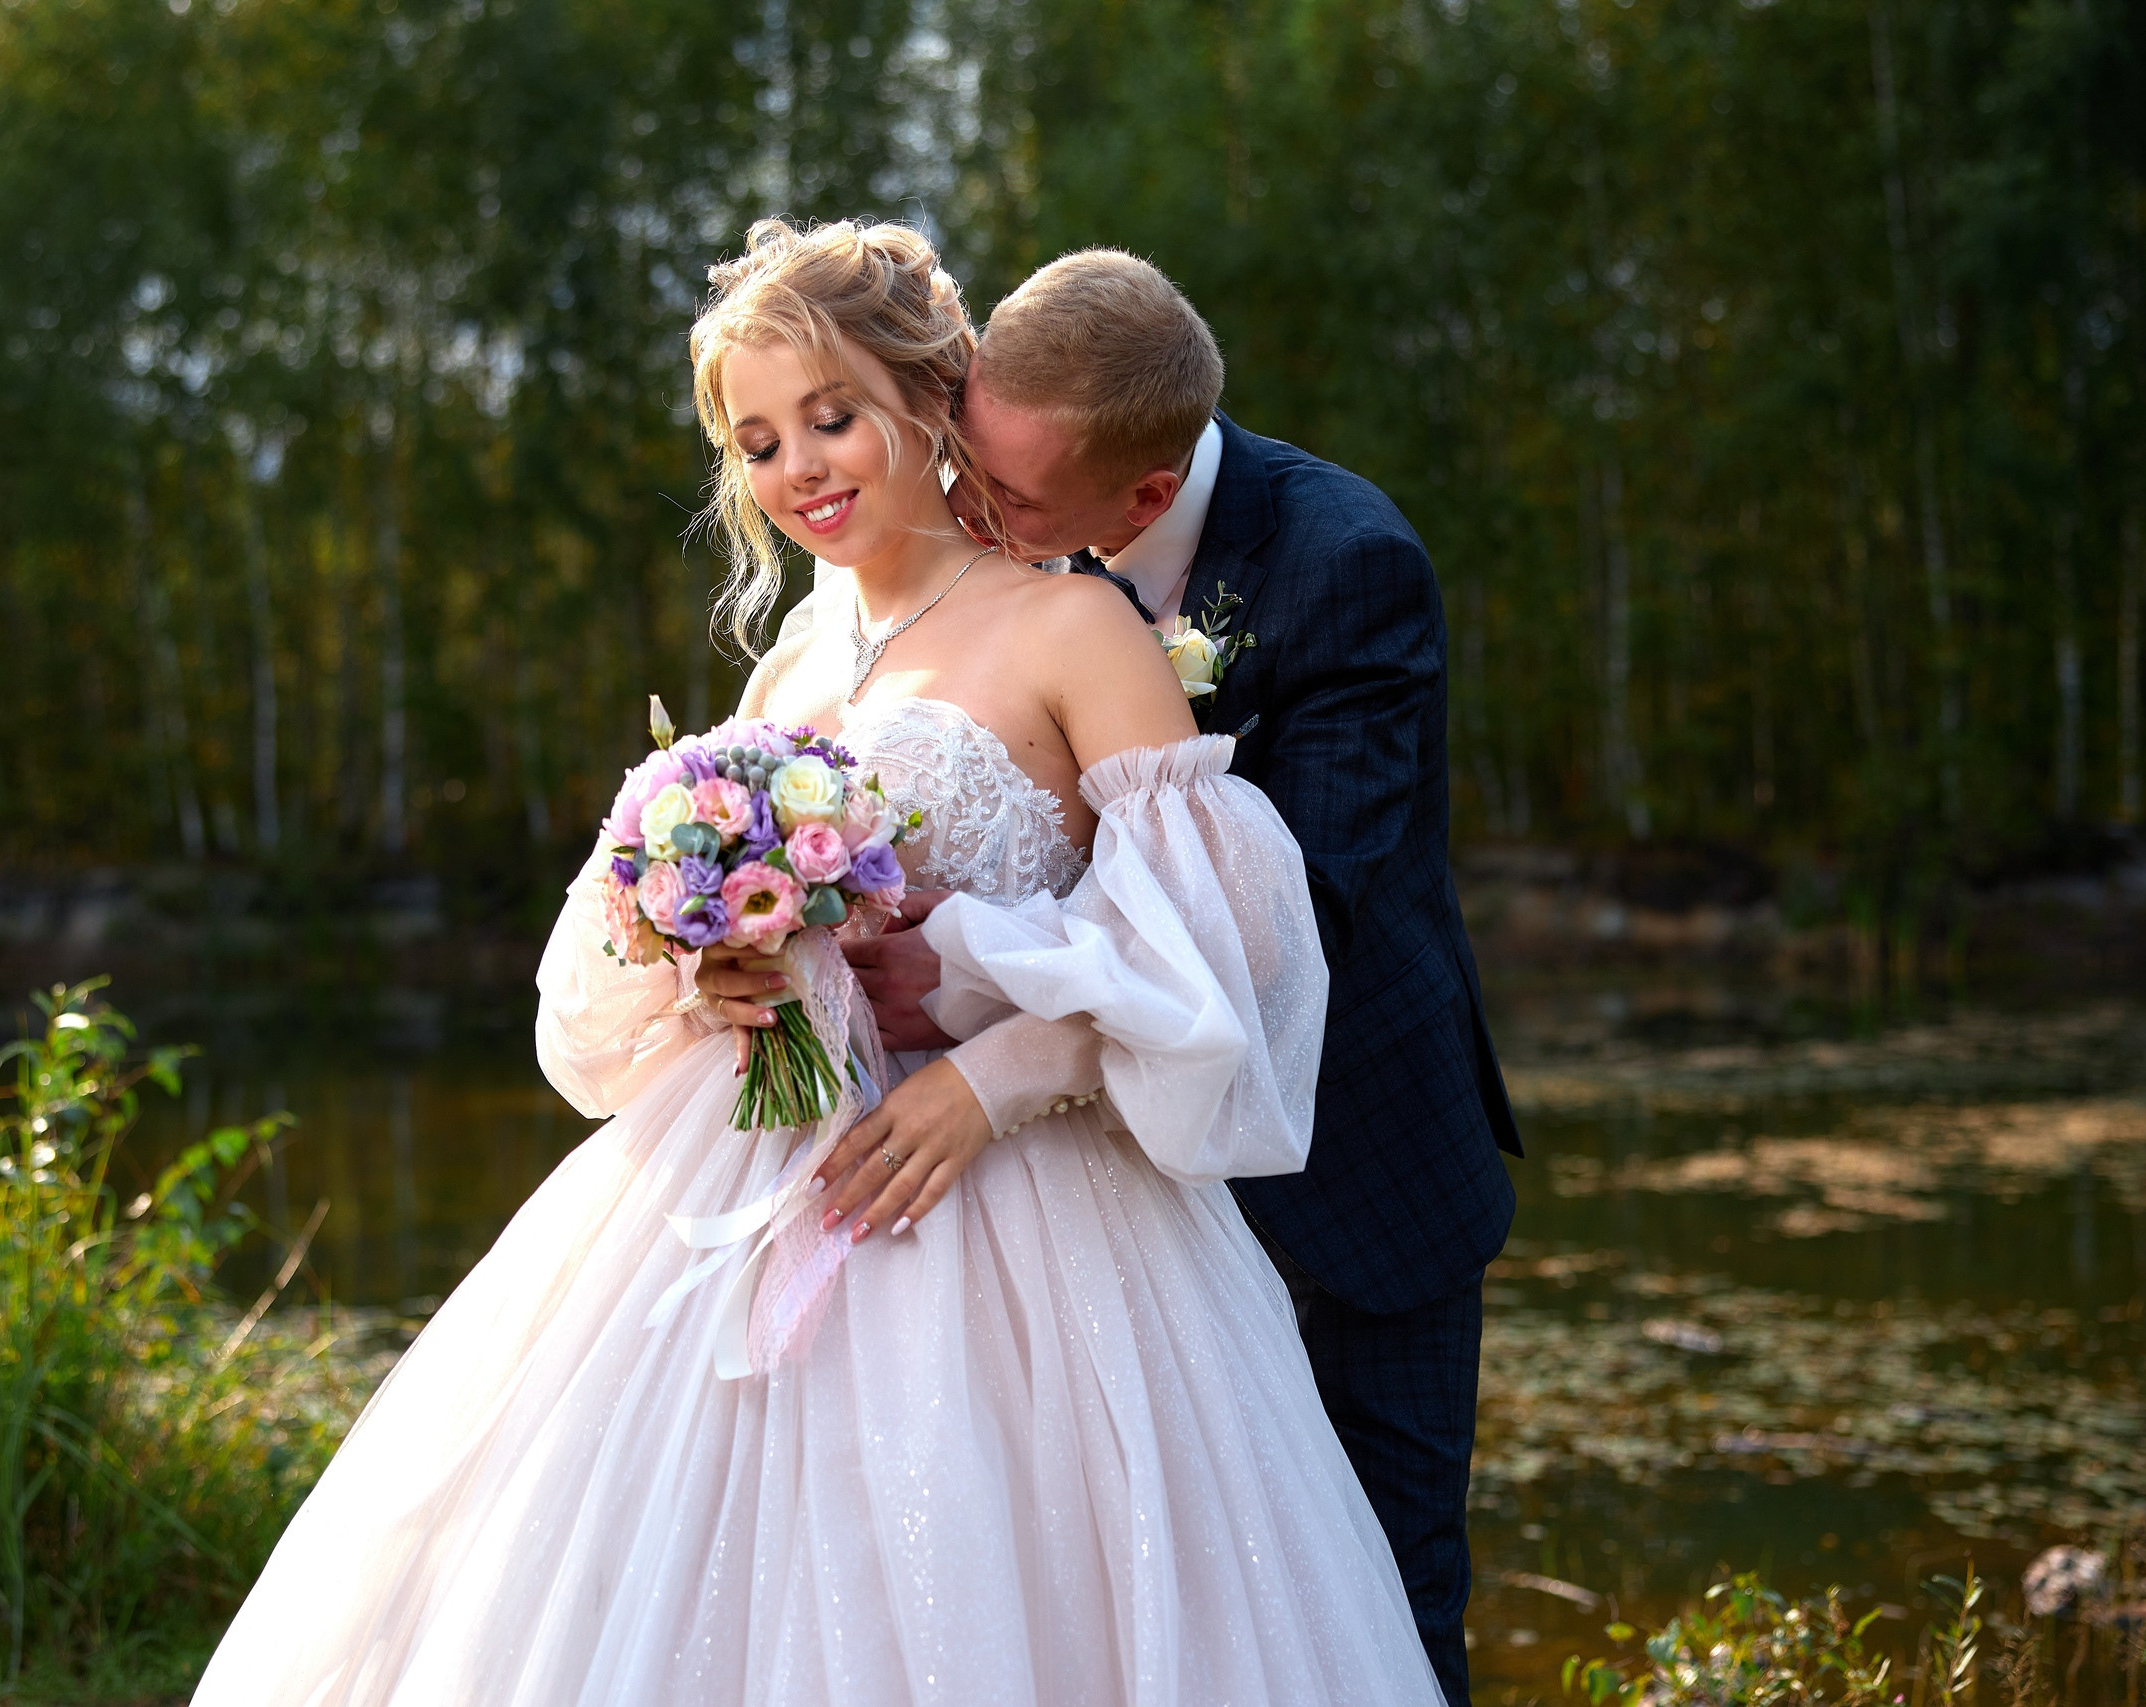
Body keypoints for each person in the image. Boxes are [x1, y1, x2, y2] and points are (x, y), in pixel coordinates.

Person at [189, 218, 1444, 1706]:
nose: (802, 469)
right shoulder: (796, 659)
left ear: (936, 396)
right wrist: (711, 968)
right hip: (770, 1162)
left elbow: (1216, 943)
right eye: (759, 440)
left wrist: (997, 1079)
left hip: (1016, 1195)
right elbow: (708, 924)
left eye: (834, 417)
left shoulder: (1073, 621)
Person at [839, 248, 1522, 1707]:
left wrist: (978, 1006)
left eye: (1010, 497)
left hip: (1344, 1166)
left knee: (1372, 1607)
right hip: (1091, 1207)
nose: (970, 503)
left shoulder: (1343, 559)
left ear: (1144, 502)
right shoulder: (986, 538)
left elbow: (1292, 916)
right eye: (966, 451)